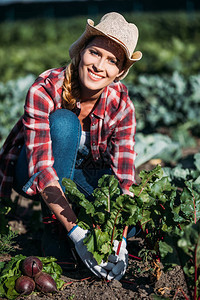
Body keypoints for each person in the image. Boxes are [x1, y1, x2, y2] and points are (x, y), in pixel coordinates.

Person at [0, 12, 142, 280]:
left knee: (135, 223)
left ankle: (87, 227)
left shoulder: (121, 104)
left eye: (112, 61)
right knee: (64, 123)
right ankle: (54, 227)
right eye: (95, 53)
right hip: (34, 172)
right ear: (81, 52)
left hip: (80, 177)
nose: (100, 66)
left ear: (120, 72)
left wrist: (119, 238)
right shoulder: (44, 89)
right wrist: (76, 233)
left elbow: (124, 179)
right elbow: (42, 170)